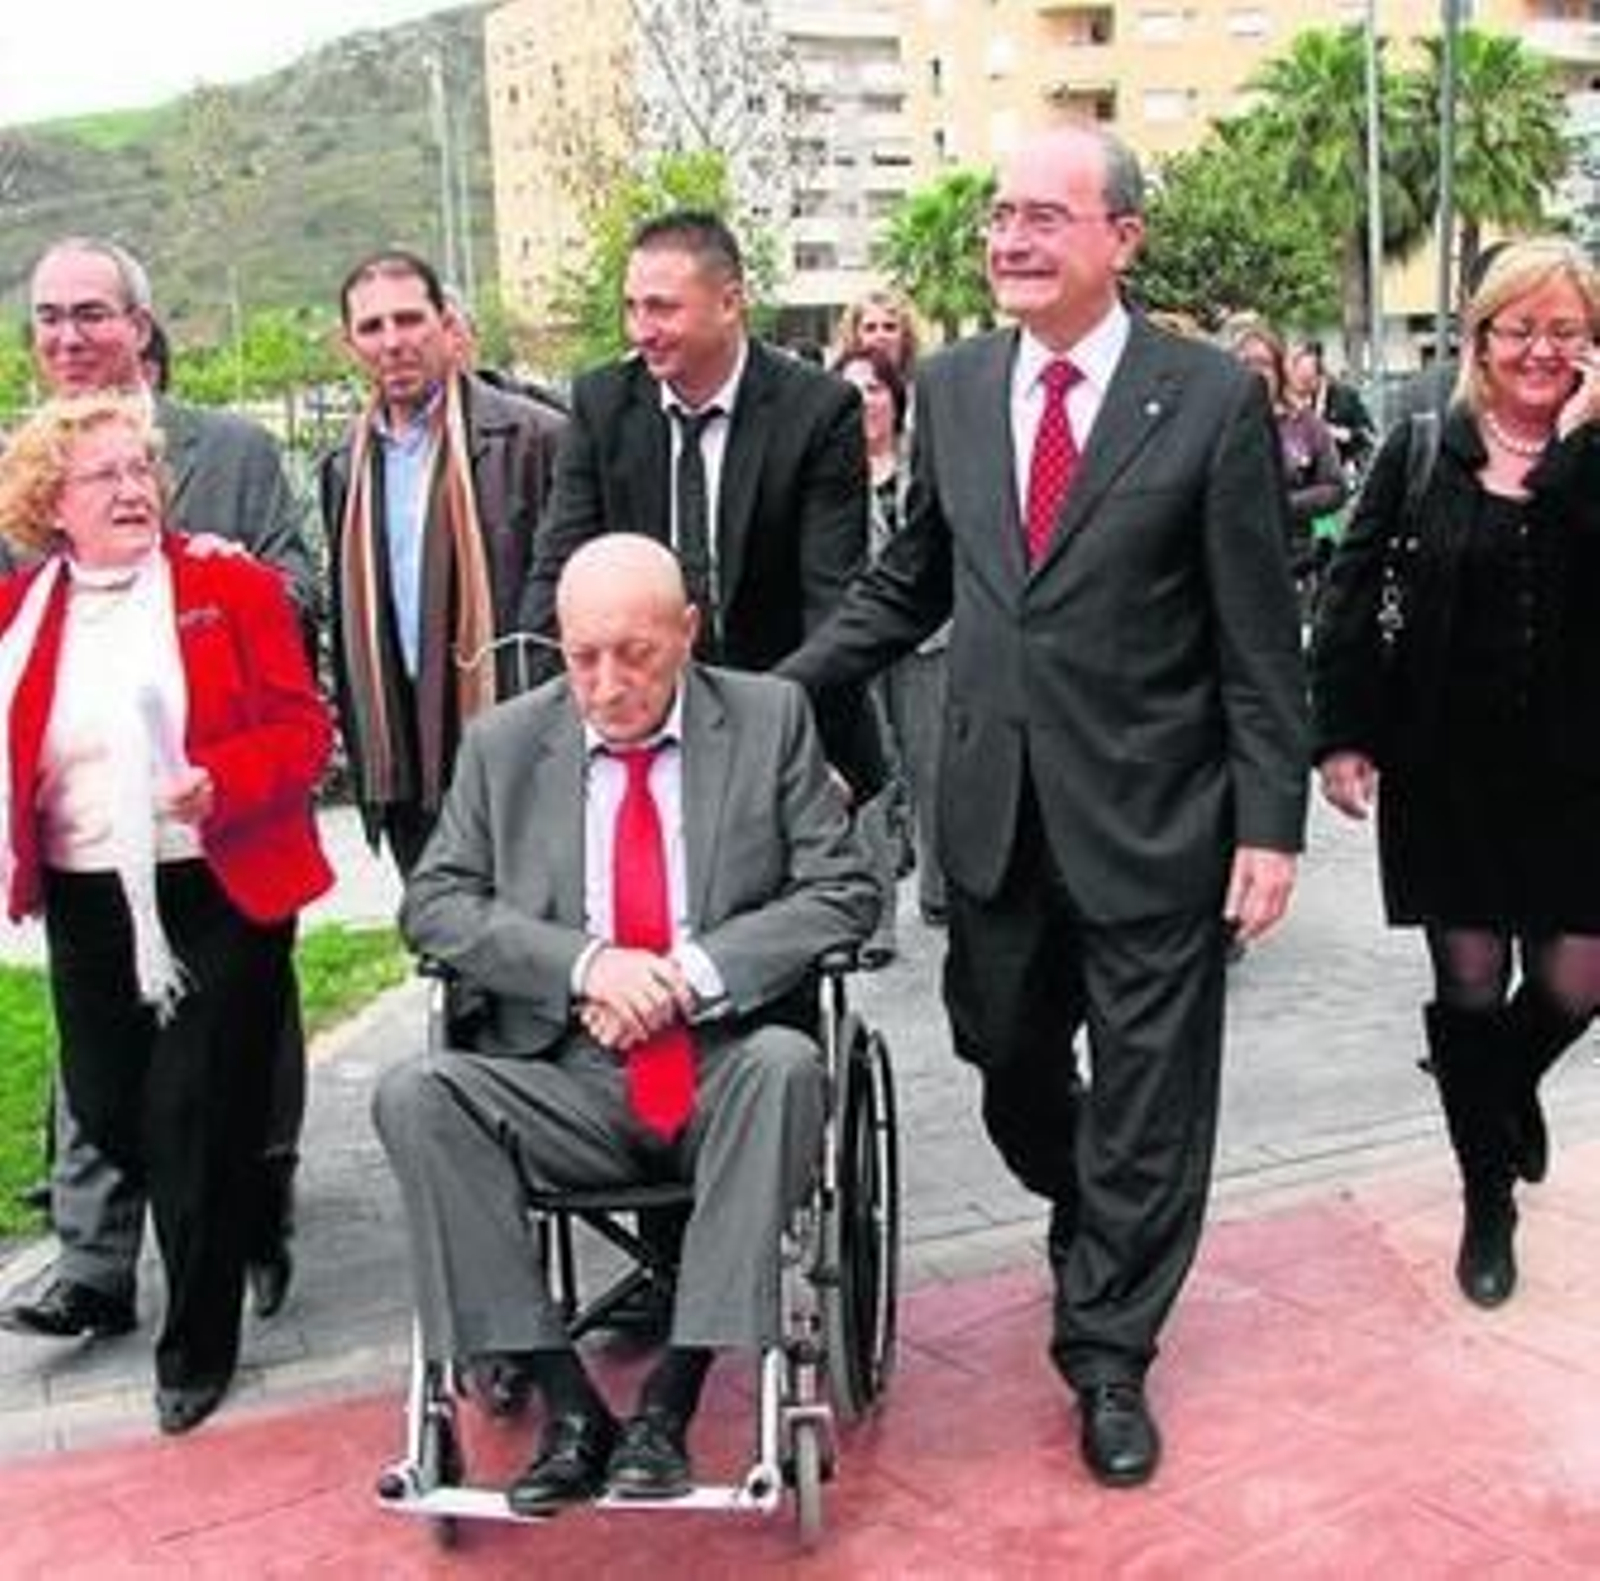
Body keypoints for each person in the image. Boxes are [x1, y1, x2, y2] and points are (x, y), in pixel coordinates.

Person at [781, 123, 1307, 1487]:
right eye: (1000, 216)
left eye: (1042, 217)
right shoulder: (954, 389)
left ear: (1121, 238)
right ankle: (1094, 1211)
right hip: (996, 817)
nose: (1009, 238)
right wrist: (779, 691)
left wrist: (1271, 823)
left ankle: (1109, 1348)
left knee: (1150, 1098)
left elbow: (1259, 633)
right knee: (1006, 1060)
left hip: (1158, 820)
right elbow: (913, 582)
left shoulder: (1203, 398)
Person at [373, 533, 876, 1510]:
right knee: (416, 1096)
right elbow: (433, 905)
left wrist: (689, 975)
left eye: (635, 654)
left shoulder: (769, 720)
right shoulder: (506, 745)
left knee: (785, 1064)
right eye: (581, 656)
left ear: (688, 632)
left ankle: (669, 1401)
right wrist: (585, 965)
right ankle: (572, 1408)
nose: (605, 685)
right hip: (565, 1075)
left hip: (721, 1070)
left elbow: (842, 888)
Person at [1, 237, 318, 1343]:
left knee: (225, 1063)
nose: (69, 337)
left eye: (91, 313)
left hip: (223, 836)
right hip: (89, 852)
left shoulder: (226, 451)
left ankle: (244, 1220)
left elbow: (298, 588)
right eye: (48, 317)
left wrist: (232, 581)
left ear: (142, 325)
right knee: (116, 1077)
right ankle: (96, 1262)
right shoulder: (21, 468)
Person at [1312, 238, 1600, 1310]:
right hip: (1448, 767)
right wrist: (1340, 736)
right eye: (1517, 329)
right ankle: (1488, 1203)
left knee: (1575, 980)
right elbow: (1347, 589)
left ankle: (1498, 1085)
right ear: (1479, 339)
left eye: (1563, 330)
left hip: (1582, 776)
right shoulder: (1426, 443)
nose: (1539, 351)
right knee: (1469, 985)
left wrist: (1575, 454)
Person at [517, 210, 881, 799]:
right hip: (634, 737)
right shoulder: (602, 405)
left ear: (730, 302)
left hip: (791, 729)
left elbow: (832, 606)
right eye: (631, 307)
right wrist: (552, 723)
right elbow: (559, 570)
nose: (641, 329)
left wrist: (763, 734)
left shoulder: (818, 411)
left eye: (662, 308)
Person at [320, 248, 566, 877]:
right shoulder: (345, 466)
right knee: (447, 940)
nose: (393, 342)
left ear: (446, 326)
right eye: (372, 327)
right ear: (348, 344)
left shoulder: (533, 440)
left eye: (409, 320)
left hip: (517, 742)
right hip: (403, 751)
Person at [832, 343, 948, 950]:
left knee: (935, 769)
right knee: (869, 774)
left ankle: (941, 893)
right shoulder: (828, 468)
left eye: (874, 388)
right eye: (850, 390)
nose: (863, 401)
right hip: (857, 641)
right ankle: (874, 919)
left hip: (930, 643)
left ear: (895, 398)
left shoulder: (921, 463)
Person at [1224, 317, 1347, 616]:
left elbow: (1335, 488)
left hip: (1295, 567)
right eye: (1246, 362)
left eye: (1264, 363)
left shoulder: (1305, 424)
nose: (1255, 371)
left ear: (1278, 370)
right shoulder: (1216, 424)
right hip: (1233, 571)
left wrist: (1280, 503)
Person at [1286, 338, 1375, 480]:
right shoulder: (1286, 401)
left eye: (1307, 381)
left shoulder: (1344, 398)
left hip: (1343, 476)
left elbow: (1369, 437)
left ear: (1319, 374)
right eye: (1296, 382)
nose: (1303, 390)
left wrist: (1341, 433)